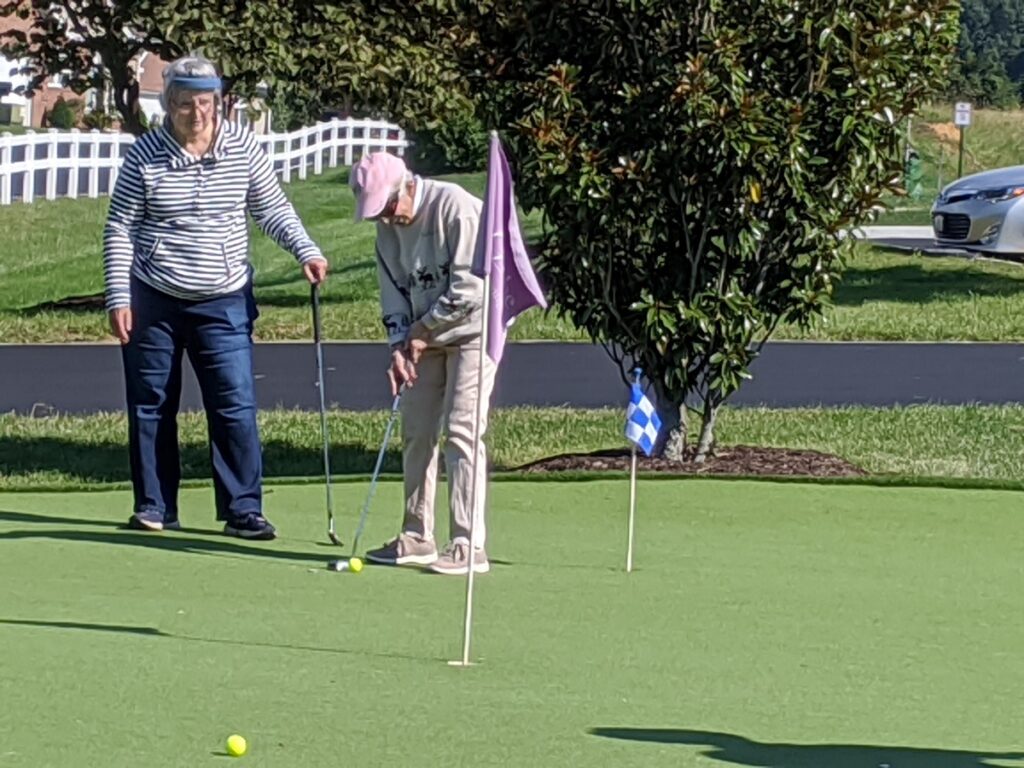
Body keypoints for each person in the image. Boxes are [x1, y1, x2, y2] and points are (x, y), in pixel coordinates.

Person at [103, 54, 328, 539]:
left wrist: (304, 249)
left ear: (220, 102)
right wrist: (118, 295)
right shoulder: (145, 155)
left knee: (234, 402)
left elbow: (271, 208)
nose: (198, 114)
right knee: (151, 404)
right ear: (169, 104)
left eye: (206, 103)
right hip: (154, 296)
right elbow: (120, 226)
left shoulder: (243, 148)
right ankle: (155, 506)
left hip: (224, 297)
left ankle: (243, 509)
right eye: (186, 104)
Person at [350, 151, 494, 575]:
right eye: (378, 212)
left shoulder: (455, 207)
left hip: (474, 331)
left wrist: (421, 329)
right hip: (422, 333)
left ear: (406, 186)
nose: (388, 218)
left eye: (389, 207)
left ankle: (469, 543)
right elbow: (392, 292)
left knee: (463, 430)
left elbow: (471, 288)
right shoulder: (386, 229)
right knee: (416, 431)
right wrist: (399, 344)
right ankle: (417, 535)